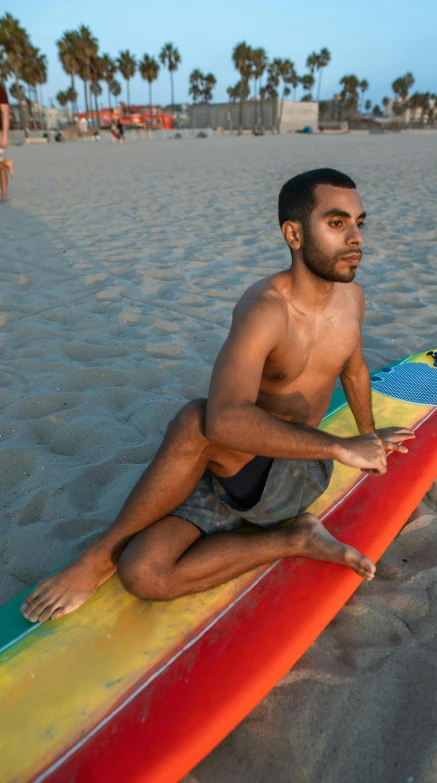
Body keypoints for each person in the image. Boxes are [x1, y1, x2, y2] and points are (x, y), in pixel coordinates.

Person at [20, 168, 415, 624]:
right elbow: (227, 422)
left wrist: (366, 437)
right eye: (336, 222)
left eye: (359, 223)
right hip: (233, 474)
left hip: (294, 473)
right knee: (144, 574)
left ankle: (96, 558)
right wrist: (343, 444)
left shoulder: (353, 299)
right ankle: (295, 539)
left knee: (195, 420)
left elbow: (355, 369)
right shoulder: (265, 309)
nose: (355, 238)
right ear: (293, 234)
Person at [0, 82, 14, 202]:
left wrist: (4, 136)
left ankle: (4, 195)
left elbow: (5, 114)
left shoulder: (1, 91)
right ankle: (7, 163)